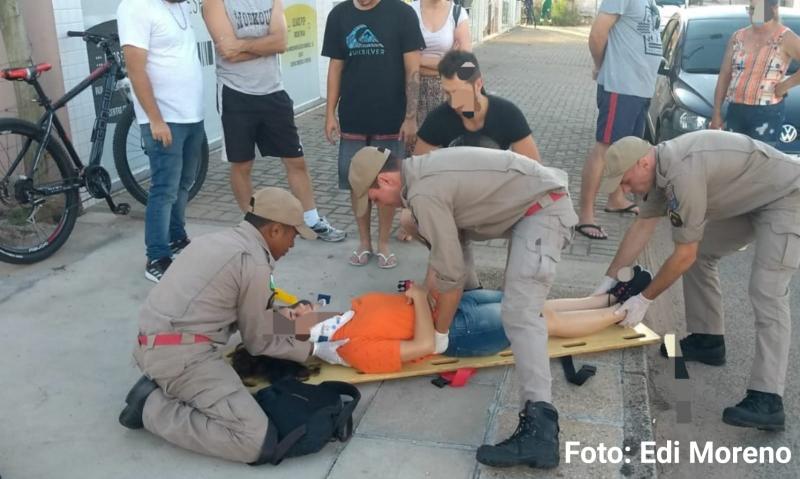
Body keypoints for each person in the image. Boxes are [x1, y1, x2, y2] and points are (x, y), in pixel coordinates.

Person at [349, 145, 579, 469]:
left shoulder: (424, 192)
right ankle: (611, 302)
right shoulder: (419, 175)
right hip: (533, 202)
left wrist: (440, 332)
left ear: (386, 180)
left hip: (544, 210)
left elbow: (450, 274)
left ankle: (540, 433)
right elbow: (448, 256)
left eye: (374, 199)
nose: (378, 206)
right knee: (411, 221)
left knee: (521, 315)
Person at [117, 187, 352, 464]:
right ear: (275, 230)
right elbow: (258, 341)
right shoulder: (253, 263)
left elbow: (246, 311)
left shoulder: (219, 240)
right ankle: (151, 408)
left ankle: (162, 386)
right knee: (255, 442)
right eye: (293, 234)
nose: (293, 244)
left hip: (154, 342)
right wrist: (314, 348)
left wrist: (284, 316)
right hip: (181, 358)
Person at [595, 130, 800, 432]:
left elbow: (682, 255)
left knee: (766, 290)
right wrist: (609, 279)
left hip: (786, 196)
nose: (625, 191)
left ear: (642, 163)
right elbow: (641, 226)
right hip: (749, 200)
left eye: (625, 182)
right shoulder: (659, 172)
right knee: (701, 251)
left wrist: (644, 299)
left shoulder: (682, 172)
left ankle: (768, 398)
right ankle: (708, 339)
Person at [306, 265, 652, 373]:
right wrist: (418, 298)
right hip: (463, 331)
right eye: (294, 314)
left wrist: (421, 296)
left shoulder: (343, 318)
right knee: (541, 321)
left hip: (457, 308)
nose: (303, 305)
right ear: (302, 332)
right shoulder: (351, 349)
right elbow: (427, 345)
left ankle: (603, 299)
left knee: (536, 305)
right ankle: (621, 313)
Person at [202, 0, 346, 242]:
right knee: (242, 165)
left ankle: (311, 220)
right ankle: (253, 227)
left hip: (273, 92)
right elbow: (227, 51)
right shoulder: (215, 2)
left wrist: (242, 46)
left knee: (296, 160)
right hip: (235, 93)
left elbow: (281, 42)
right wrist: (261, 45)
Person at [322, 0, 425, 268]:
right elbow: (336, 67)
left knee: (386, 183)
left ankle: (383, 244)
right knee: (358, 183)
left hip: (391, 118)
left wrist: (411, 117)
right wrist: (329, 112)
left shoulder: (402, 13)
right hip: (354, 117)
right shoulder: (339, 15)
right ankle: (364, 242)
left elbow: (413, 69)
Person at [117, 0, 206, 282]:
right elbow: (136, 69)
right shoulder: (135, 7)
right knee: (164, 189)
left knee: (183, 184)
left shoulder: (178, 6)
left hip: (191, 115)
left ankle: (177, 239)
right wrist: (155, 119)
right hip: (165, 119)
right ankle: (156, 257)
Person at [576, 0, 661, 240]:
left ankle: (615, 199)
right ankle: (586, 216)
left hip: (640, 88)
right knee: (605, 149)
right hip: (621, 86)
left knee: (627, 152)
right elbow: (597, 34)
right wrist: (602, 66)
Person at [414, 50, 541, 160]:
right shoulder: (437, 119)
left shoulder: (508, 114)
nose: (453, 103)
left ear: (478, 84)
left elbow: (534, 170)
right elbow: (419, 171)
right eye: (448, 93)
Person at [710, 0, 800, 145]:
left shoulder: (785, 37)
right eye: (751, 9)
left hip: (767, 112)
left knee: (760, 162)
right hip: (736, 109)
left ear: (773, 9)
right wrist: (717, 112)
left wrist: (785, 86)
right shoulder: (738, 37)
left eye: (759, 9)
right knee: (734, 158)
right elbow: (725, 75)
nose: (754, 14)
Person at [410, 0, 472, 129]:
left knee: (450, 139)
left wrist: (419, 60)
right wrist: (448, 60)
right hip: (413, 89)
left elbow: (466, 62)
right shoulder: (409, 11)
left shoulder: (457, 13)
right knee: (416, 143)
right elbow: (402, 58)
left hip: (449, 89)